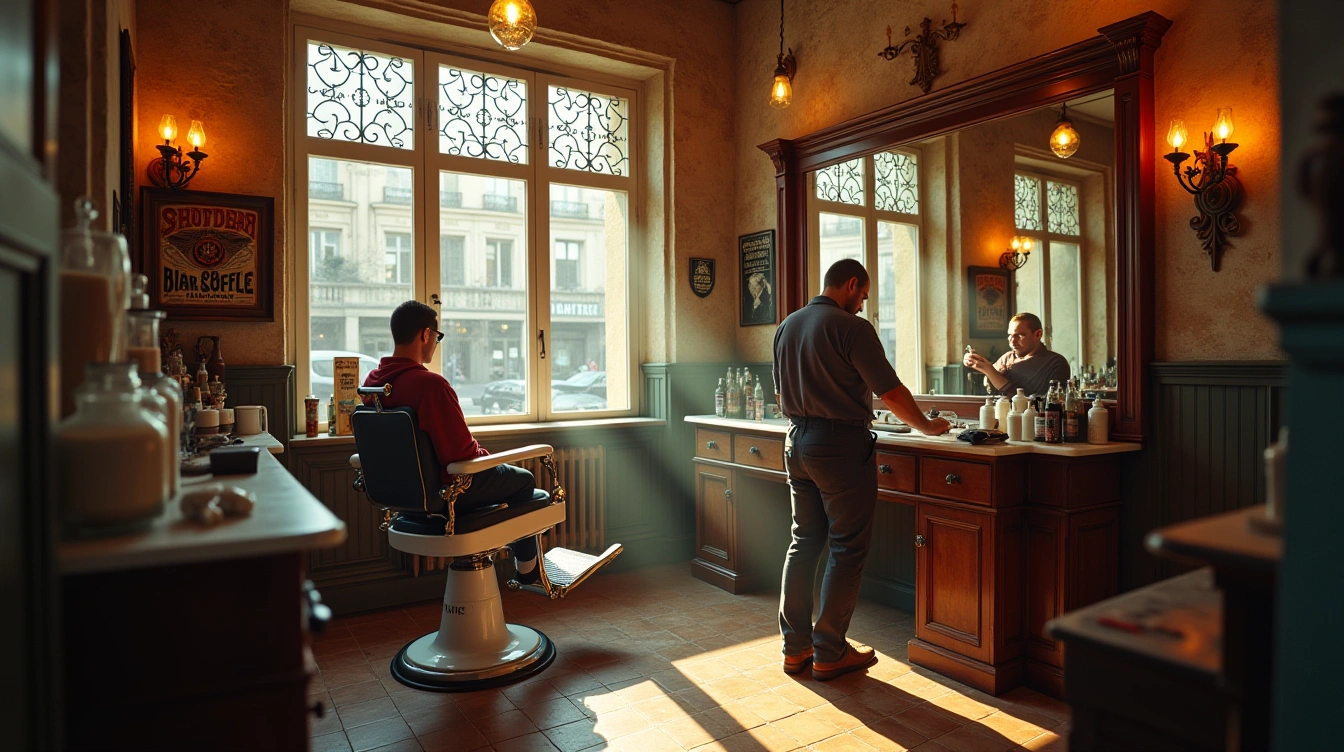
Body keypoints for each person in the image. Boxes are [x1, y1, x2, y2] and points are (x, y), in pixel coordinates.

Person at [772, 259, 951, 681]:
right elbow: (888, 390)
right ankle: (830, 651)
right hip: (839, 445)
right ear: (852, 285)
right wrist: (926, 426)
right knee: (847, 546)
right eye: (864, 295)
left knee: (803, 541)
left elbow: (780, 390)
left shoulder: (788, 325)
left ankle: (795, 650)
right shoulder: (851, 328)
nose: (864, 303)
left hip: (796, 440)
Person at [362, 300, 540, 584]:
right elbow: (461, 455)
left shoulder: (373, 384)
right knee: (525, 480)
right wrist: (487, 457)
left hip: (404, 497)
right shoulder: (430, 386)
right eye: (437, 335)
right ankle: (529, 571)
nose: (435, 342)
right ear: (425, 334)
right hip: (450, 492)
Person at [962, 312, 1071, 397]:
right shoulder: (1007, 358)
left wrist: (990, 371)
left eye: (1019, 336)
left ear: (1038, 334)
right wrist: (977, 362)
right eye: (1010, 335)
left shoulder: (1055, 363)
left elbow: (1046, 404)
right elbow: (990, 389)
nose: (1012, 341)